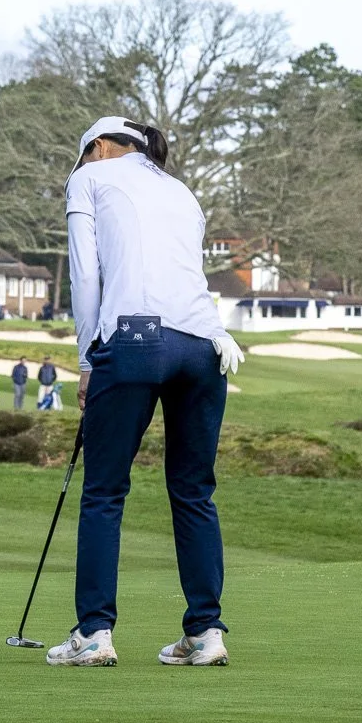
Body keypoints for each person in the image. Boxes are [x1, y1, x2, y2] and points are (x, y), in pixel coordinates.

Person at [45, 116, 244, 670]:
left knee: (105, 492)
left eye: (85, 152)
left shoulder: (89, 178)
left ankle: (94, 634)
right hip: (207, 345)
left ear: (101, 147)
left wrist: (86, 360)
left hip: (135, 339)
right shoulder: (182, 191)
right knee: (194, 491)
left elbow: (86, 278)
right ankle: (206, 633)